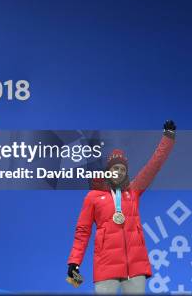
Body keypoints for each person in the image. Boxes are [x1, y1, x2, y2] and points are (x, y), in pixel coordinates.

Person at [67, 120, 177, 294]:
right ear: (107, 171)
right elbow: (83, 231)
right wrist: (74, 261)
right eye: (115, 168)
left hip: (135, 266)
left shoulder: (133, 192)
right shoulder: (93, 197)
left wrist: (168, 138)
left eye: (122, 169)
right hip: (106, 265)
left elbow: (154, 165)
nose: (118, 172)